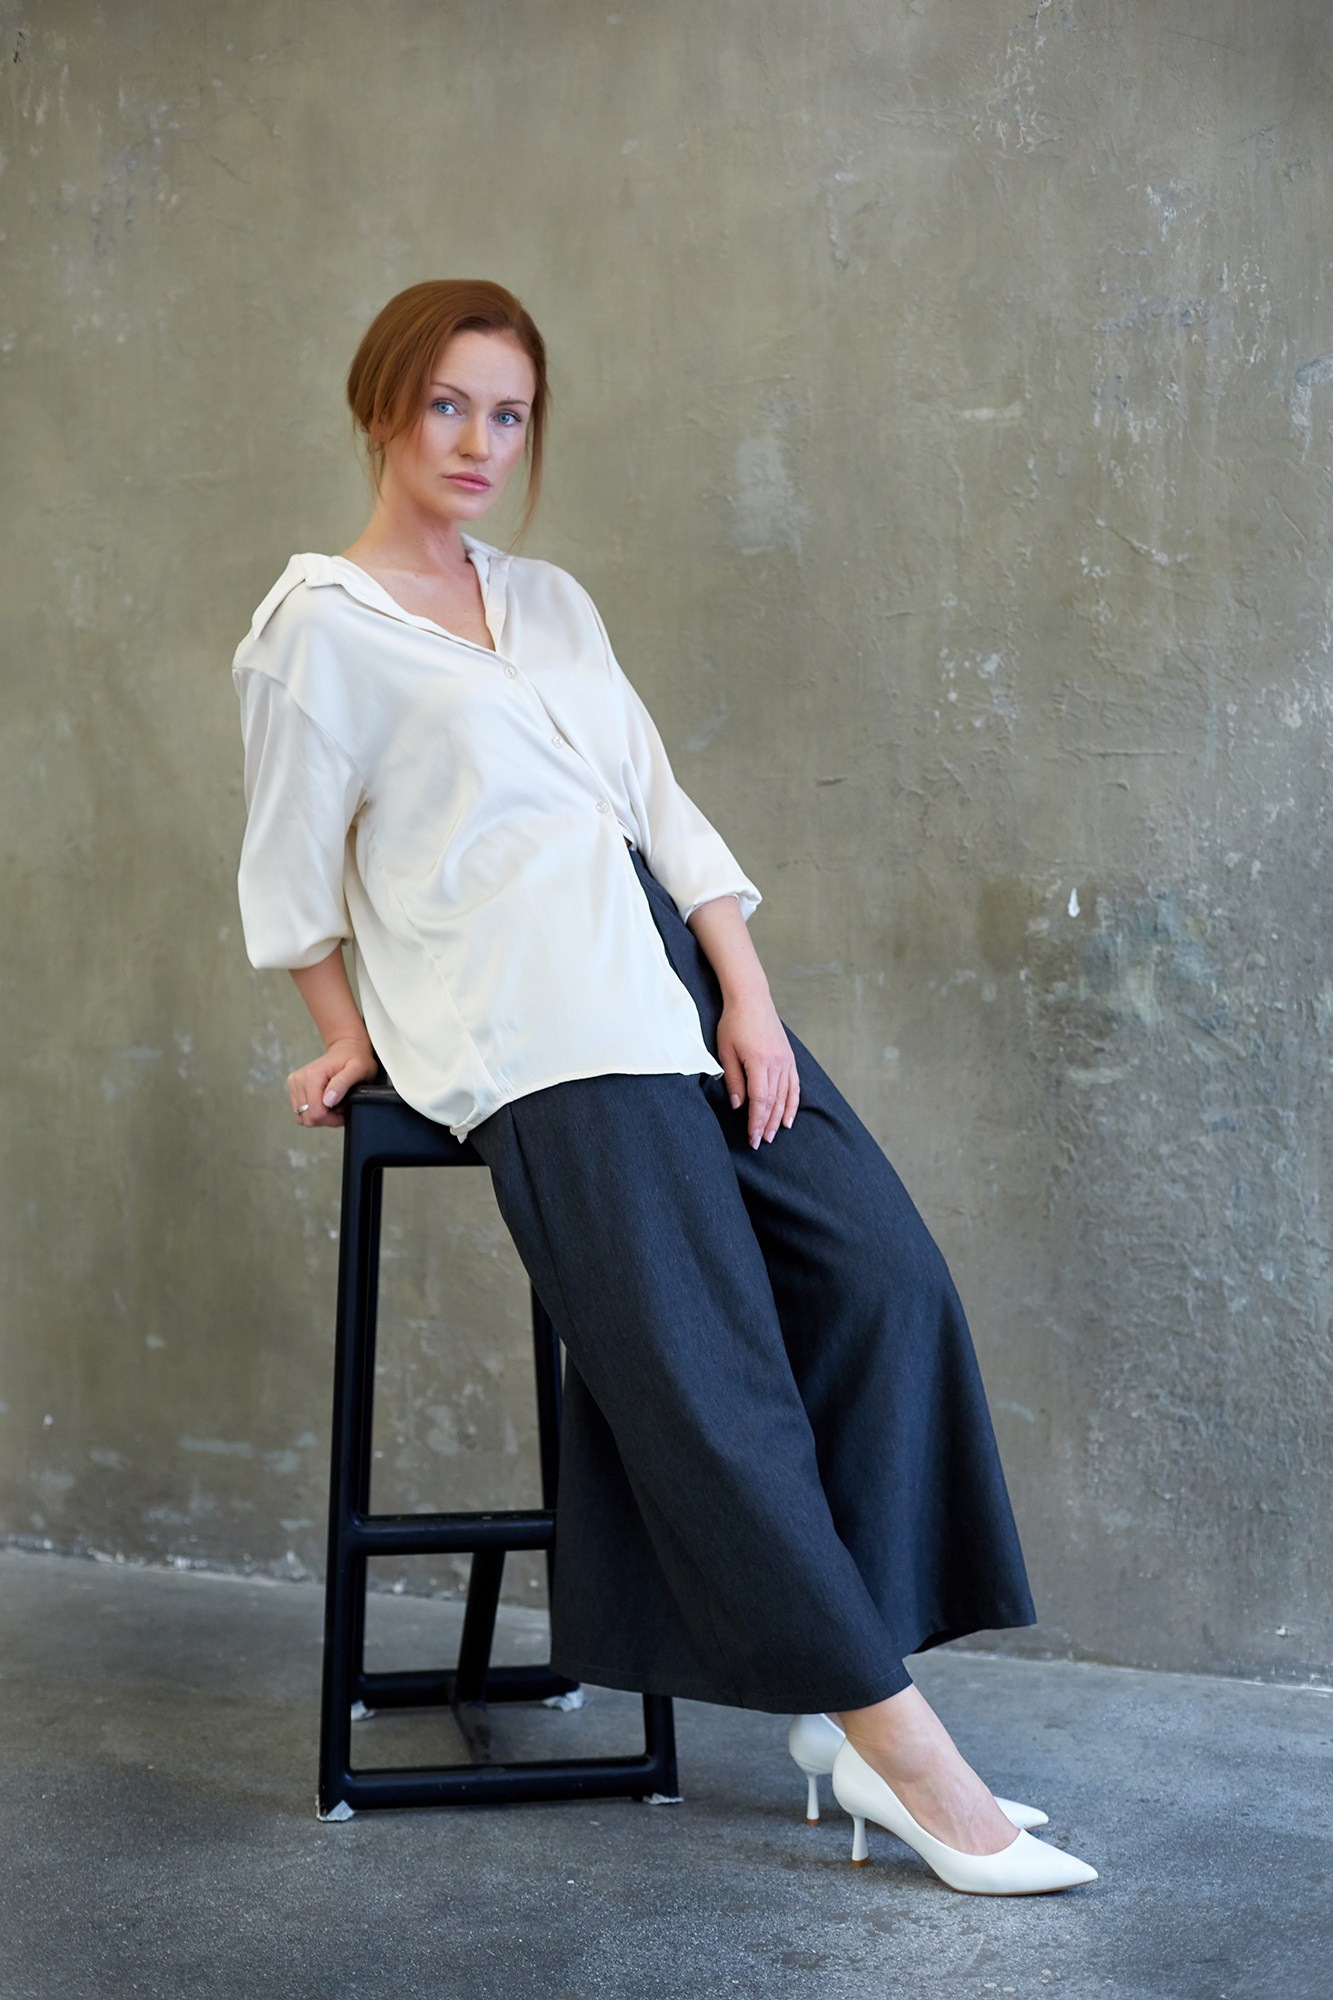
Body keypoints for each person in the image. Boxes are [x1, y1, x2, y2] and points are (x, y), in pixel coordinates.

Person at [232, 279, 1097, 1896]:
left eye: (507, 413)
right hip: (529, 1016)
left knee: (883, 1280)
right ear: (381, 406)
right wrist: (351, 1030)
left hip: (669, 981)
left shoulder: (549, 603)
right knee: (711, 1372)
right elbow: (288, 880)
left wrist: (747, 996)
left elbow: (659, 807)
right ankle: (914, 1758)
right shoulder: (315, 630)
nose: (479, 441)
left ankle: (852, 1698)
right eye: (447, 404)